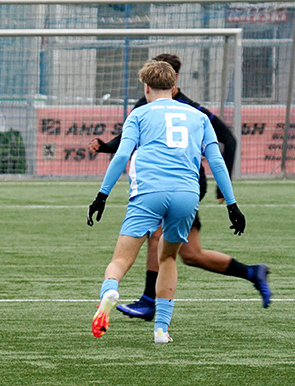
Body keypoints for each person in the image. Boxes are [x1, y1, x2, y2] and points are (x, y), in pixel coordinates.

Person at [88, 54, 271, 321]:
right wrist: (230, 199)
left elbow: (126, 148)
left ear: (149, 85)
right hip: (187, 190)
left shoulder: (149, 107)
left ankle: (150, 301)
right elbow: (222, 149)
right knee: (191, 254)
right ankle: (252, 272)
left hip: (173, 183)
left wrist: (102, 194)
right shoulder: (194, 111)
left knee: (157, 240)